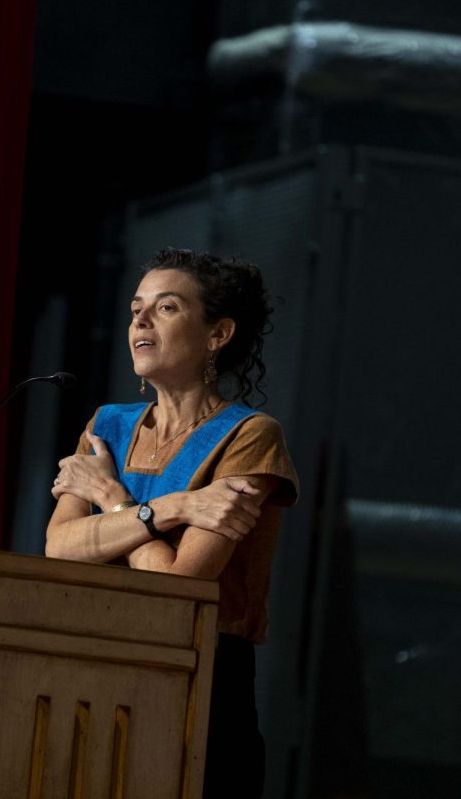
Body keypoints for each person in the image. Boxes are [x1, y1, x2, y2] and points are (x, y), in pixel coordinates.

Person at [46, 247, 298, 796]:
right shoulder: (105, 426)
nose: (138, 320)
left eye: (165, 308)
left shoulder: (251, 436)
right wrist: (176, 507)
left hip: (202, 677)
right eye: (136, 308)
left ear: (217, 334)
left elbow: (179, 588)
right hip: (95, 657)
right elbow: (59, 548)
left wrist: (115, 502)